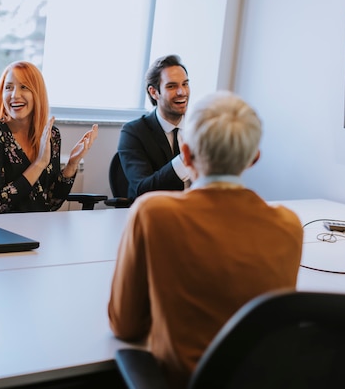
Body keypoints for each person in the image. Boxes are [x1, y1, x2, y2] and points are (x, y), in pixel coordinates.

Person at [108, 91, 303, 389]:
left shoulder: (153, 212)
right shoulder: (289, 225)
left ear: (185, 155)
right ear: (254, 158)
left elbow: (126, 326)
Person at [0, 61, 98, 213]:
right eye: (8, 87)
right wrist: (39, 164)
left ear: (37, 94)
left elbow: (52, 202)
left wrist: (72, 164)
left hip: (39, 226)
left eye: (24, 87)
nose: (15, 95)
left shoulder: (51, 135)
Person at [117, 54, 191, 200]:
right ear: (154, 92)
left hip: (195, 213)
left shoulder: (200, 129)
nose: (182, 92)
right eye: (171, 86)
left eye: (185, 84)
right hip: (155, 215)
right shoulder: (134, 132)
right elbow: (142, 189)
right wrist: (186, 159)